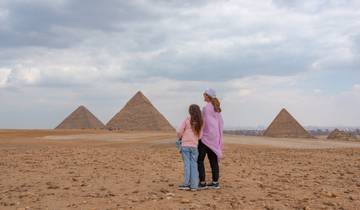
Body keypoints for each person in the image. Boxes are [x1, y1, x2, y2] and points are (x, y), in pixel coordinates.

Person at [198, 88, 224, 189]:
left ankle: (202, 182)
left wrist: (199, 135)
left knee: (199, 160)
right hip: (214, 137)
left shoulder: (206, 108)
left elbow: (204, 123)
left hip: (206, 137)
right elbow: (220, 124)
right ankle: (215, 182)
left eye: (204, 94)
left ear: (208, 96)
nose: (203, 96)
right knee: (213, 160)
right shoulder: (217, 109)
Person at [176, 104, 203, 191]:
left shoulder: (187, 120)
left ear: (190, 111)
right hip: (194, 146)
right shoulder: (200, 122)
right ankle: (194, 185)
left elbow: (179, 131)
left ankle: (186, 184)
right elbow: (200, 136)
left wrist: (181, 137)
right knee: (194, 165)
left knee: (187, 165)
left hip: (185, 146)